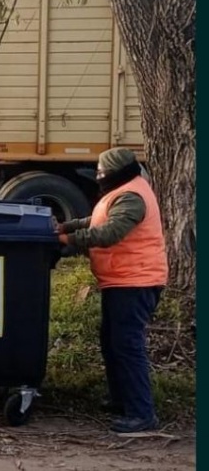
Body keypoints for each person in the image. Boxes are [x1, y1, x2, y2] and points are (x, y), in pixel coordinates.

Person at [56, 147, 167, 434]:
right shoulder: (123, 190)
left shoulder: (132, 197)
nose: (99, 177)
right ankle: (121, 399)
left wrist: (68, 239)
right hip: (121, 280)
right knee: (113, 343)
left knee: (127, 347)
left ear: (117, 172)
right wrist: (65, 226)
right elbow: (97, 221)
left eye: (103, 172)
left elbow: (109, 233)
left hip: (136, 282)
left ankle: (142, 413)